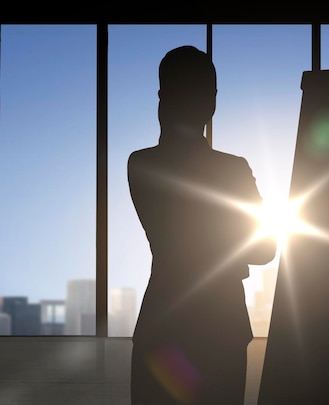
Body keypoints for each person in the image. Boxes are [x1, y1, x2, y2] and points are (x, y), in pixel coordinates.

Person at [128, 45, 277, 404]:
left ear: (162, 97)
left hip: (161, 321)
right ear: (211, 103)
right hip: (220, 327)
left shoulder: (140, 164)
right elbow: (263, 249)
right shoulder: (232, 170)